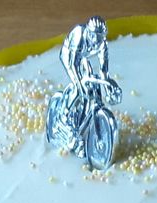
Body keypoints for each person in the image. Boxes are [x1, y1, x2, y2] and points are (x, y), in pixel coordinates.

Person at [49, 17, 122, 157]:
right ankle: (64, 115)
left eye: (100, 37)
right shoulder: (79, 34)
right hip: (69, 56)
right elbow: (73, 64)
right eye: (94, 36)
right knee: (80, 87)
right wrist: (79, 84)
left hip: (83, 58)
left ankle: (84, 119)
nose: (97, 40)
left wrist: (108, 87)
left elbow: (103, 72)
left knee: (92, 84)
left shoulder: (102, 44)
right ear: (89, 32)